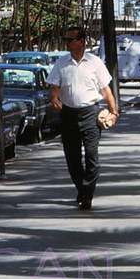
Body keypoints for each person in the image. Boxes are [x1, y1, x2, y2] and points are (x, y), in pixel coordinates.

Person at [46, 26, 119, 210]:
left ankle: (86, 194)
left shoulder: (95, 63)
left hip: (90, 114)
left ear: (81, 41)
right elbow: (54, 87)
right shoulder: (61, 63)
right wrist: (54, 98)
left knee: (92, 157)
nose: (67, 43)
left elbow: (105, 90)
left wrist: (113, 111)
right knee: (72, 158)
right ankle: (82, 190)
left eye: (70, 40)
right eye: (66, 40)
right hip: (68, 114)